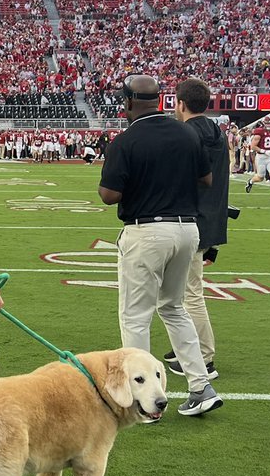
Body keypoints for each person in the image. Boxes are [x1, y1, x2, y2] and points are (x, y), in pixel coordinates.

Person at [98, 74, 221, 417]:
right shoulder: (186, 132)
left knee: (136, 316)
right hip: (187, 229)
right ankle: (201, 385)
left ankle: (143, 400)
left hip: (148, 229)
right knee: (174, 308)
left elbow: (109, 195)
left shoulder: (127, 140)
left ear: (129, 102)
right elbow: (206, 179)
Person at [167, 78, 229, 382]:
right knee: (180, 291)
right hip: (209, 217)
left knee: (190, 293)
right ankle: (185, 345)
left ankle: (203, 357)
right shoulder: (218, 132)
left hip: (189, 218)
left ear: (180, 103)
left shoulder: (185, 133)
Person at [245, 122, 270, 203]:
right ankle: (251, 181)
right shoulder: (259, 132)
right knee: (260, 178)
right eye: (268, 123)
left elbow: (269, 142)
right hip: (261, 157)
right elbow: (253, 146)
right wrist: (264, 151)